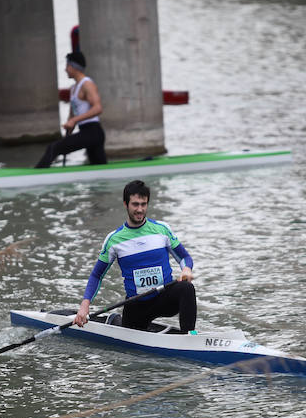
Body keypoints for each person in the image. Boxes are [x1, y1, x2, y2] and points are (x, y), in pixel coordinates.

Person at [73, 180, 196, 333]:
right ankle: (115, 320)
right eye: (135, 204)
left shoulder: (162, 230)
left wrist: (186, 269)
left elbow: (185, 257)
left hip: (164, 298)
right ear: (126, 204)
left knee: (186, 288)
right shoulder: (114, 240)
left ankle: (190, 336)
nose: (140, 209)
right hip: (137, 304)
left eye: (143, 204)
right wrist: (85, 306)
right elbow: (97, 275)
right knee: (128, 328)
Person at [36, 51, 106, 168]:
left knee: (54, 148)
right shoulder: (73, 89)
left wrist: (74, 120)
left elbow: (98, 108)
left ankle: (36, 175)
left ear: (75, 67)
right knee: (99, 167)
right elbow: (72, 116)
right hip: (86, 132)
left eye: (67, 66)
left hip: (93, 132)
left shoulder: (87, 84)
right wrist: (70, 126)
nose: (65, 69)